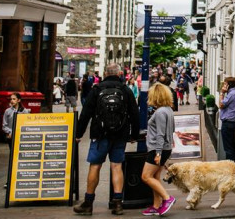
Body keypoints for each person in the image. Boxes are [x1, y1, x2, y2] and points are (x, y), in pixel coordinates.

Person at [73, 63, 139, 216]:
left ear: (104, 73)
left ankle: (88, 203)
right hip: (120, 134)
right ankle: (117, 204)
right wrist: (134, 135)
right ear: (120, 73)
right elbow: (134, 114)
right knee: (116, 167)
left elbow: (86, 114)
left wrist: (79, 134)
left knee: (95, 166)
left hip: (99, 134)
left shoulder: (97, 90)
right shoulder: (125, 90)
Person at [140, 83, 176, 216]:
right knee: (155, 176)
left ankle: (167, 198)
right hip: (164, 148)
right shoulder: (168, 109)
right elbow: (171, 130)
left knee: (146, 176)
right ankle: (156, 205)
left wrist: (158, 153)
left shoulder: (160, 112)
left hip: (157, 149)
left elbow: (160, 133)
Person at [217, 76, 235, 165]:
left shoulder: (232, 94)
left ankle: (229, 166)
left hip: (228, 122)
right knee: (230, 145)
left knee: (228, 147)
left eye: (225, 84)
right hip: (231, 122)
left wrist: (221, 93)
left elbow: (221, 105)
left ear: (229, 85)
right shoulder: (233, 93)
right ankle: (231, 165)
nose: (223, 85)